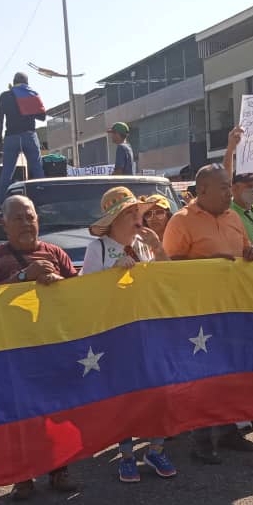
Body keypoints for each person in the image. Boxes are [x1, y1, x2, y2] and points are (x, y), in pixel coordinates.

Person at [0, 195, 80, 496]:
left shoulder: (56, 253)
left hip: (52, 345)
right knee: (19, 414)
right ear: (4, 224)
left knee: (55, 411)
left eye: (31, 217)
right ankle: (23, 477)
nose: (26, 223)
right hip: (13, 348)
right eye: (19, 218)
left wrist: (60, 282)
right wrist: (25, 276)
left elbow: (78, 294)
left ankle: (60, 470)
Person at [162, 164, 253, 462]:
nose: (229, 192)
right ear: (202, 190)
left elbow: (244, 249)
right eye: (222, 187)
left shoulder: (234, 218)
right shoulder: (180, 222)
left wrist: (251, 252)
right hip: (198, 315)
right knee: (202, 377)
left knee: (229, 373)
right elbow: (168, 271)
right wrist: (207, 263)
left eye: (229, 186)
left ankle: (229, 430)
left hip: (231, 309)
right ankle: (201, 440)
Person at [81, 187, 176, 483]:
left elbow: (169, 280)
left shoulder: (145, 244)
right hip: (117, 332)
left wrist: (159, 249)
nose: (139, 219)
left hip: (151, 329)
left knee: (159, 390)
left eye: (139, 213)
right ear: (114, 219)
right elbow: (83, 292)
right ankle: (126, 455)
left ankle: (155, 448)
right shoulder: (97, 248)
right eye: (131, 213)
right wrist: (111, 276)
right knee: (126, 393)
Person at [0, 72, 46, 202]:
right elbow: (42, 116)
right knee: (37, 170)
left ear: (13, 82)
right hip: (29, 135)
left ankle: (1, 206)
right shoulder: (31, 94)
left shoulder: (5, 96)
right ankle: (44, 201)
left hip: (11, 137)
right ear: (27, 83)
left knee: (6, 173)